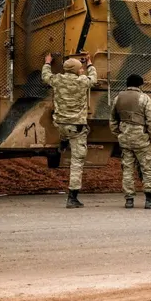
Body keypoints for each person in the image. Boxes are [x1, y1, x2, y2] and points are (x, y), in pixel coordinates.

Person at [41, 53, 97, 208]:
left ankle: (63, 143)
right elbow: (94, 78)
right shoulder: (82, 81)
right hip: (76, 127)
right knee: (77, 161)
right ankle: (72, 198)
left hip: (60, 123)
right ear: (76, 70)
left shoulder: (57, 79)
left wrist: (47, 62)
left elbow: (46, 76)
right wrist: (90, 63)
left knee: (65, 132)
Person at [110, 74, 151, 209]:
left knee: (127, 168)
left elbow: (112, 119)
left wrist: (118, 132)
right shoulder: (144, 98)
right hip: (142, 138)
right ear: (140, 85)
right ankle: (150, 199)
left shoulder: (118, 98)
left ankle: (129, 200)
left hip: (125, 138)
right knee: (147, 168)